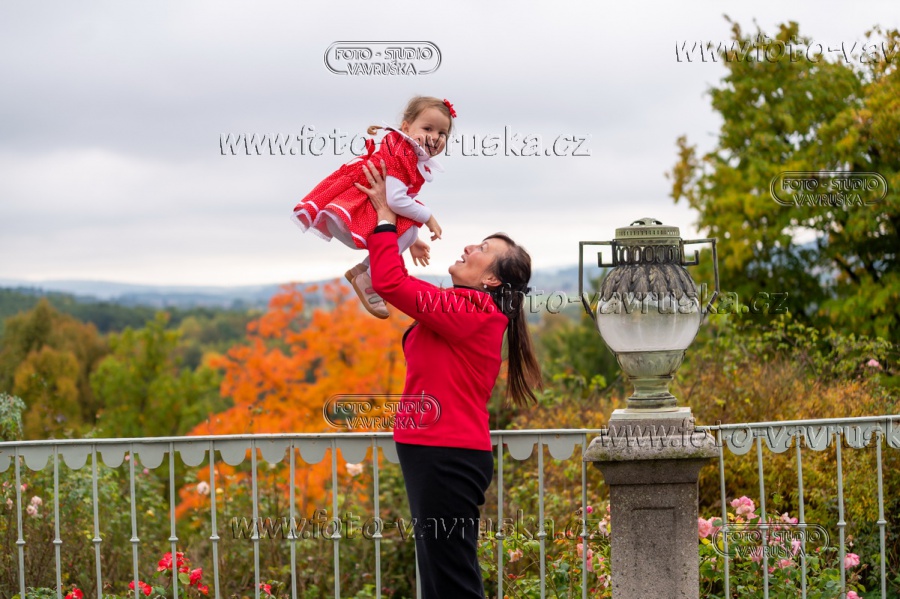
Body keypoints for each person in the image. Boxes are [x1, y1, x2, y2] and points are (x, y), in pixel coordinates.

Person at [354, 159, 544, 598]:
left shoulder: (474, 313)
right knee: (440, 580)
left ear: (491, 277)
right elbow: (394, 282)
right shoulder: (460, 309)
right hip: (434, 452)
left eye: (482, 248)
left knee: (452, 582)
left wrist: (386, 216)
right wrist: (401, 230)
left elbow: (390, 282)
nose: (468, 247)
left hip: (446, 455)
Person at [290, 96, 456, 319]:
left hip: (362, 208)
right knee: (411, 224)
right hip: (356, 211)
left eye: (442, 133)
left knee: (410, 229)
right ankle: (368, 277)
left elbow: (395, 202)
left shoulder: (404, 151)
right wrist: (428, 217)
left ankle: (362, 271)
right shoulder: (402, 154)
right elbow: (395, 201)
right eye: (428, 128)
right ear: (406, 127)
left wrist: (412, 240)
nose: (435, 137)